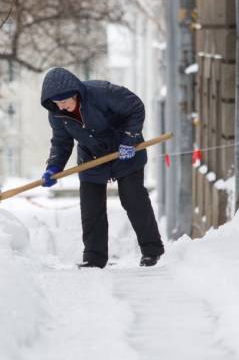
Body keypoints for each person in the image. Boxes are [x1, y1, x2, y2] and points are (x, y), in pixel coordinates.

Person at [39, 67, 164, 268]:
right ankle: (94, 258)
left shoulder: (101, 93)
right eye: (57, 103)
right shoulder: (57, 114)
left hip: (124, 152)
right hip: (91, 158)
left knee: (133, 199)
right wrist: (53, 167)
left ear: (75, 94)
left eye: (64, 102)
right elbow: (62, 142)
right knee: (91, 208)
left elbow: (135, 107)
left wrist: (129, 140)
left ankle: (152, 251)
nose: (61, 107)